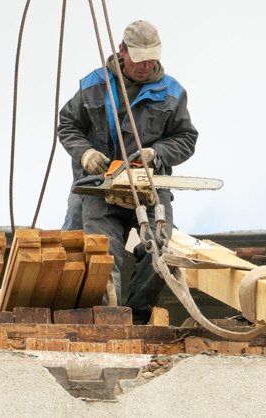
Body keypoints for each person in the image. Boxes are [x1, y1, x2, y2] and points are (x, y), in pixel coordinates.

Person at [58, 20, 198, 323]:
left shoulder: (172, 93)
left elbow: (186, 138)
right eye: (139, 59)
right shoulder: (94, 85)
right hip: (99, 188)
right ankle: (106, 319)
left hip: (148, 189)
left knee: (159, 251)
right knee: (102, 254)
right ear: (122, 51)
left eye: (151, 59)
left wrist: (157, 153)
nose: (145, 66)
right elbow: (67, 124)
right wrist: (86, 154)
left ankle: (135, 317)